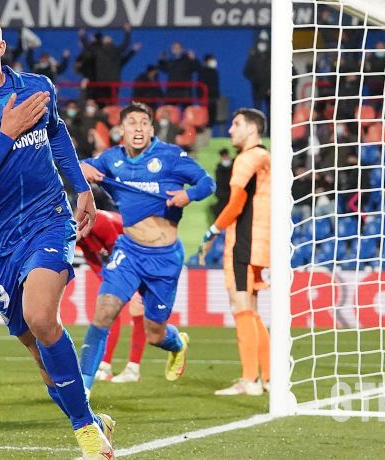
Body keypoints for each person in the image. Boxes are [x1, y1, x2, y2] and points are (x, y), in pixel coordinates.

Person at [0, 9, 114, 459]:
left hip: (47, 221)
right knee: (39, 353)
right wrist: (5, 134)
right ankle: (90, 418)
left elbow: (57, 135)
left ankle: (86, 436)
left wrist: (81, 186)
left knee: (40, 316)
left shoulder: (37, 88)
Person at [77, 102, 215, 395]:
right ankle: (82, 391)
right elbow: (81, 167)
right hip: (129, 252)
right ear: (121, 130)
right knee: (103, 314)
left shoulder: (170, 156)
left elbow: (208, 182)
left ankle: (177, 343)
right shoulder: (112, 159)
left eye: (143, 123)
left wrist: (188, 195)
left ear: (151, 129)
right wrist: (82, 168)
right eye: (132, 123)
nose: (138, 128)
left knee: (155, 334)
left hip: (164, 259)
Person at [198, 108, 271, 396]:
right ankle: (268, 377)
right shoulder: (267, 157)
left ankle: (249, 379)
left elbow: (236, 203)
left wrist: (213, 230)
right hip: (261, 240)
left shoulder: (247, 158)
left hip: (244, 239)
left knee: (240, 307)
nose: (230, 129)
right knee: (251, 309)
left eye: (236, 123)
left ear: (252, 129)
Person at [76, 210, 147, 384]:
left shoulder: (99, 221)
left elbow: (120, 249)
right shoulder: (81, 237)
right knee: (108, 304)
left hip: (143, 251)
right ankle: (104, 365)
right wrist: (108, 282)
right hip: (124, 257)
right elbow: (93, 259)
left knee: (138, 306)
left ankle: (133, 369)